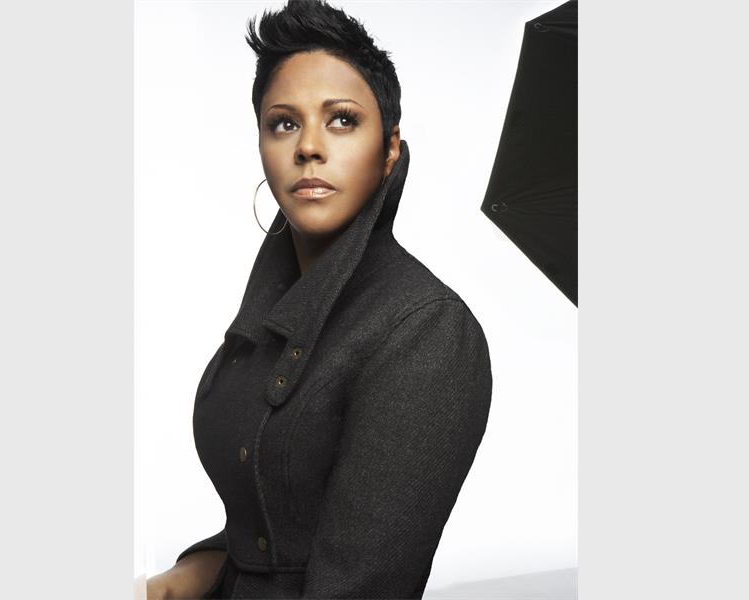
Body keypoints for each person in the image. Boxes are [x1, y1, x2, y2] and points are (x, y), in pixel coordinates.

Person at [146, 1, 493, 598]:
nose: (308, 146)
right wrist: (187, 576)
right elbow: (267, 516)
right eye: (284, 123)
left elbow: (361, 584)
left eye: (342, 120)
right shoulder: (270, 312)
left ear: (390, 149)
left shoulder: (427, 331)